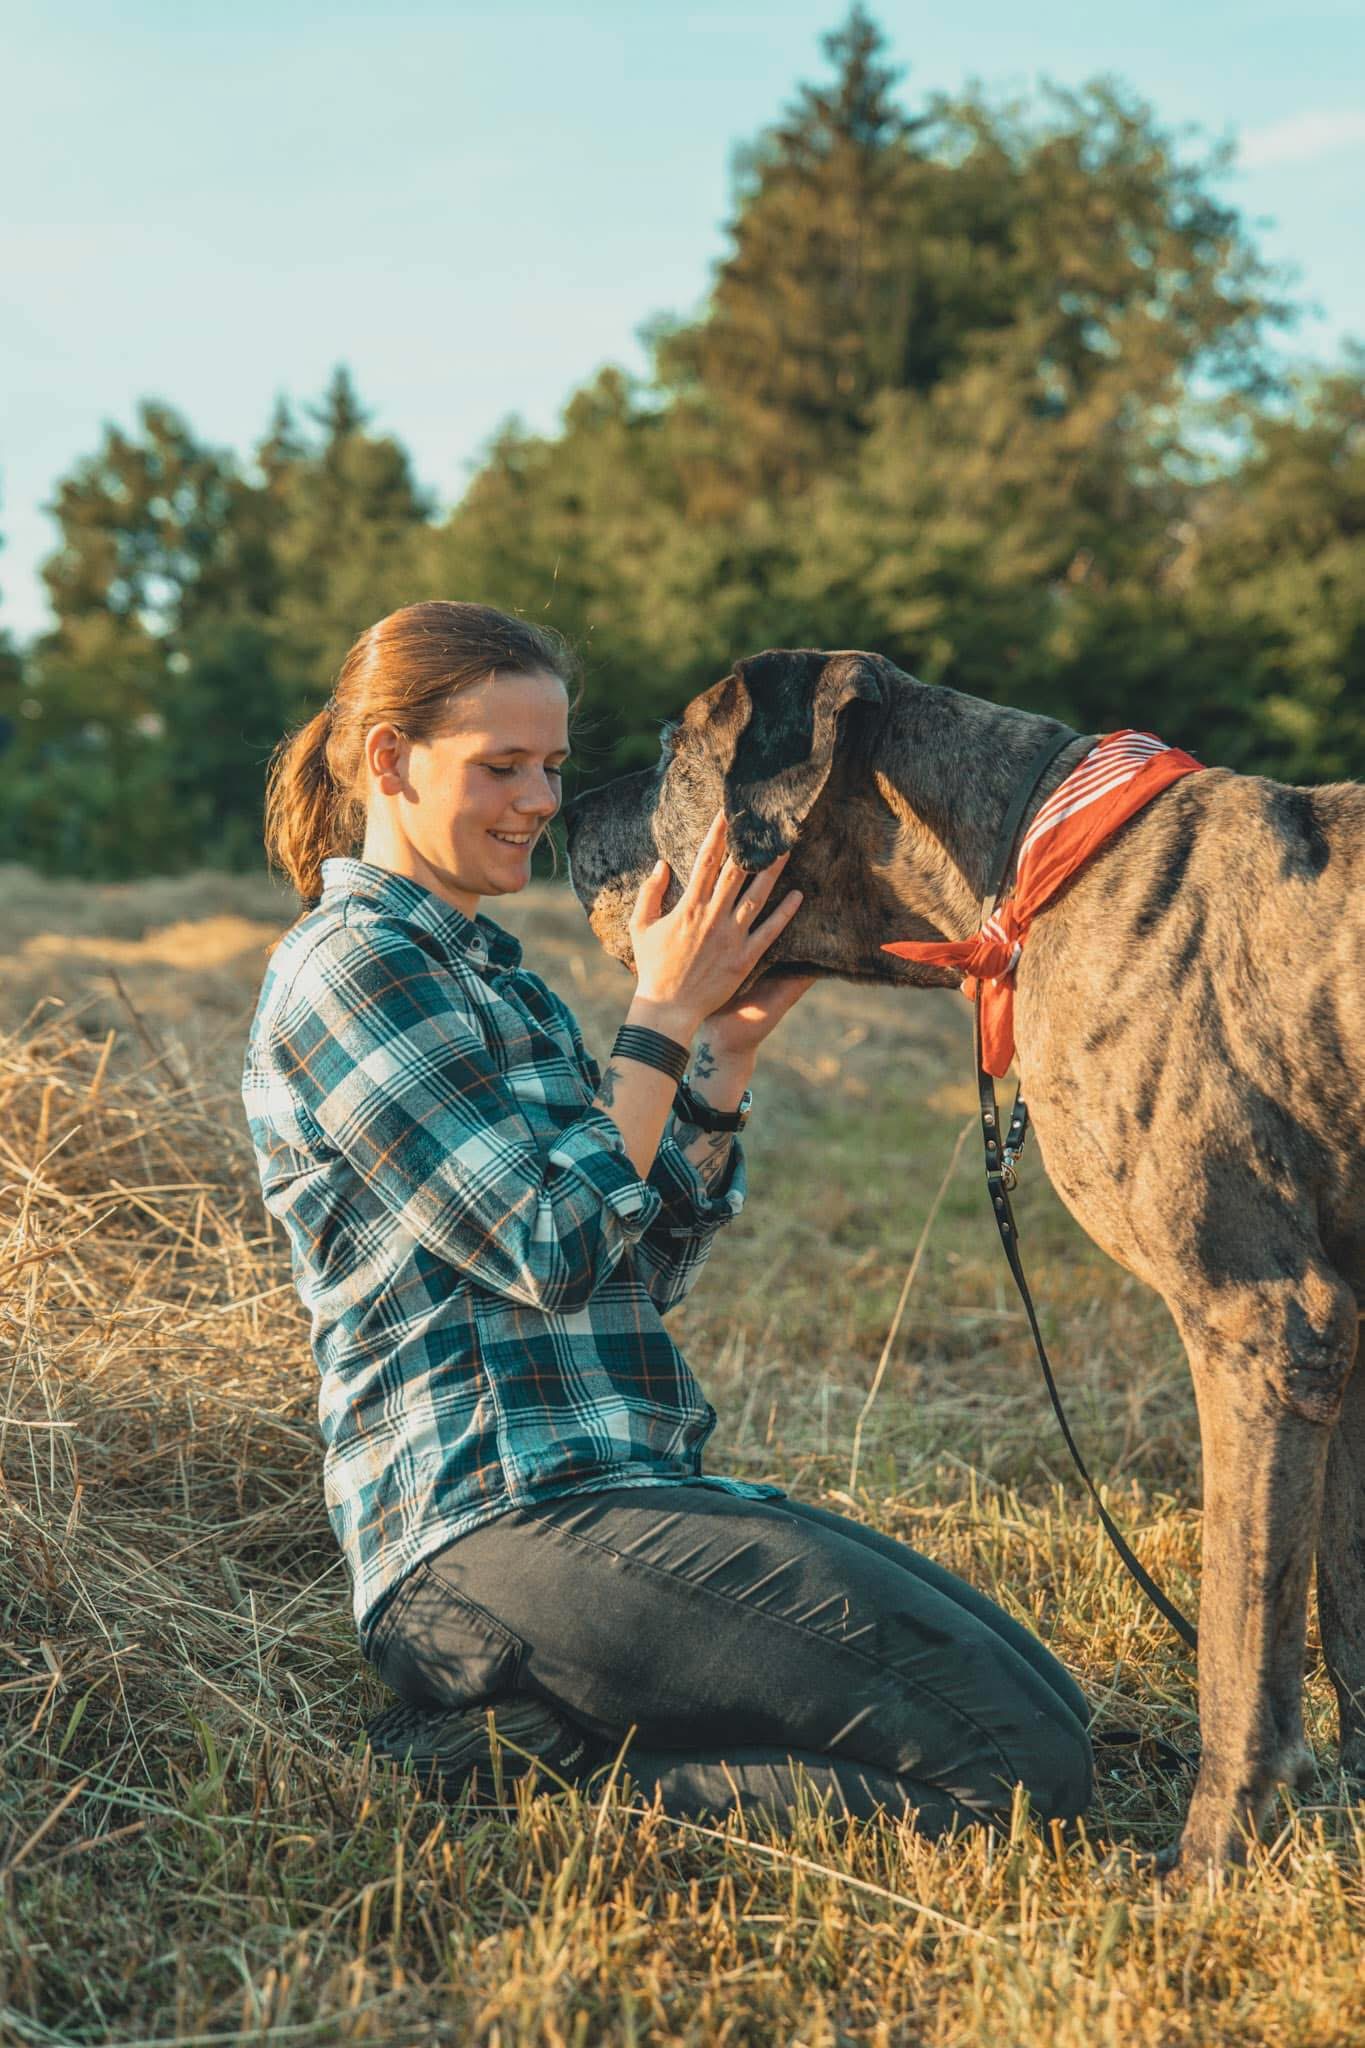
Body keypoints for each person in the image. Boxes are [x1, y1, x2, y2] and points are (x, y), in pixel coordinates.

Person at [242, 599, 1093, 1832]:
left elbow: (635, 1265)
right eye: (501, 765)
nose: (539, 800)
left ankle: (558, 1722)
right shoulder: (350, 968)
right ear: (390, 759)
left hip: (624, 1493)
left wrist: (720, 1054)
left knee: (1055, 1709)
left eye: (551, 765)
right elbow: (549, 1244)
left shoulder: (499, 979)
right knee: (1020, 1774)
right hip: (488, 1534)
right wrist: (658, 1018)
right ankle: (520, 1774)